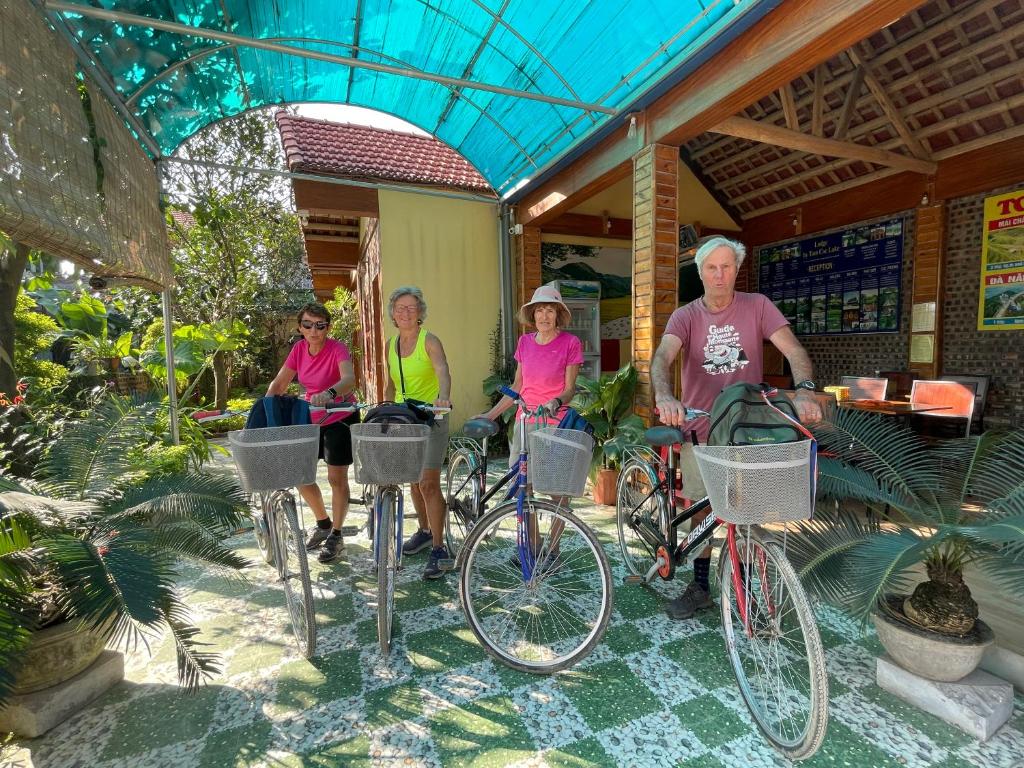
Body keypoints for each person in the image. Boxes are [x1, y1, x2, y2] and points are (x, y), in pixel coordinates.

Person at [651, 236, 822, 620]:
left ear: (736, 269)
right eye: (711, 267)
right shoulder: (686, 316)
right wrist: (665, 396)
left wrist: (806, 391)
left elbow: (793, 350)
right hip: (701, 429)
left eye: (726, 266)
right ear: (701, 273)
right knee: (701, 512)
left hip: (747, 428)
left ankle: (743, 590)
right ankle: (699, 586)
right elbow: (662, 358)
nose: (719, 274)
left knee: (748, 514)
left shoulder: (757, 306)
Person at [266, 302, 359, 564]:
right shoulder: (298, 349)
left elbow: (349, 379)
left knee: (336, 477)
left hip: (340, 415)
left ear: (328, 327)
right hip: (310, 418)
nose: (314, 330)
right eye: (308, 325)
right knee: (300, 473)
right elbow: (280, 382)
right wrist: (265, 405)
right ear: (300, 327)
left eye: (320, 325)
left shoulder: (337, 348)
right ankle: (323, 522)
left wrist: (329, 393)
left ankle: (337, 535)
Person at [386, 287, 454, 580]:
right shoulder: (391, 343)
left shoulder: (430, 341)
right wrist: (385, 406)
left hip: (432, 417)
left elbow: (443, 371)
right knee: (413, 482)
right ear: (393, 312)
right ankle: (425, 531)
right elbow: (389, 381)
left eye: (411, 308)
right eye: (400, 308)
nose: (405, 313)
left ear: (420, 312)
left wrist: (443, 398)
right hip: (406, 419)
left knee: (428, 483)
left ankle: (440, 547)